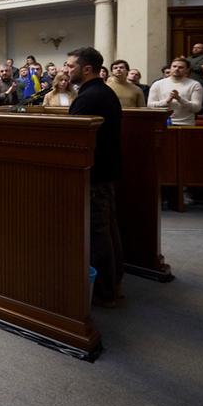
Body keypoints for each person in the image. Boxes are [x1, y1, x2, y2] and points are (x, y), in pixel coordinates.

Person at [64, 46, 123, 307]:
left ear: (86, 69)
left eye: (70, 66)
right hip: (104, 172)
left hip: (95, 175)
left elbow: (74, 139)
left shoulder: (90, 97)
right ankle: (112, 283)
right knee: (106, 228)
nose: (66, 70)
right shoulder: (99, 92)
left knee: (98, 232)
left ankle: (104, 291)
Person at [148, 57, 203, 126]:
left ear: (187, 70)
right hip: (161, 123)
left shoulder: (195, 85)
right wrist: (166, 101)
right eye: (174, 66)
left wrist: (179, 99)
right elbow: (150, 106)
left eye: (181, 67)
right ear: (170, 68)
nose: (177, 69)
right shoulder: (157, 84)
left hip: (185, 124)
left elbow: (196, 108)